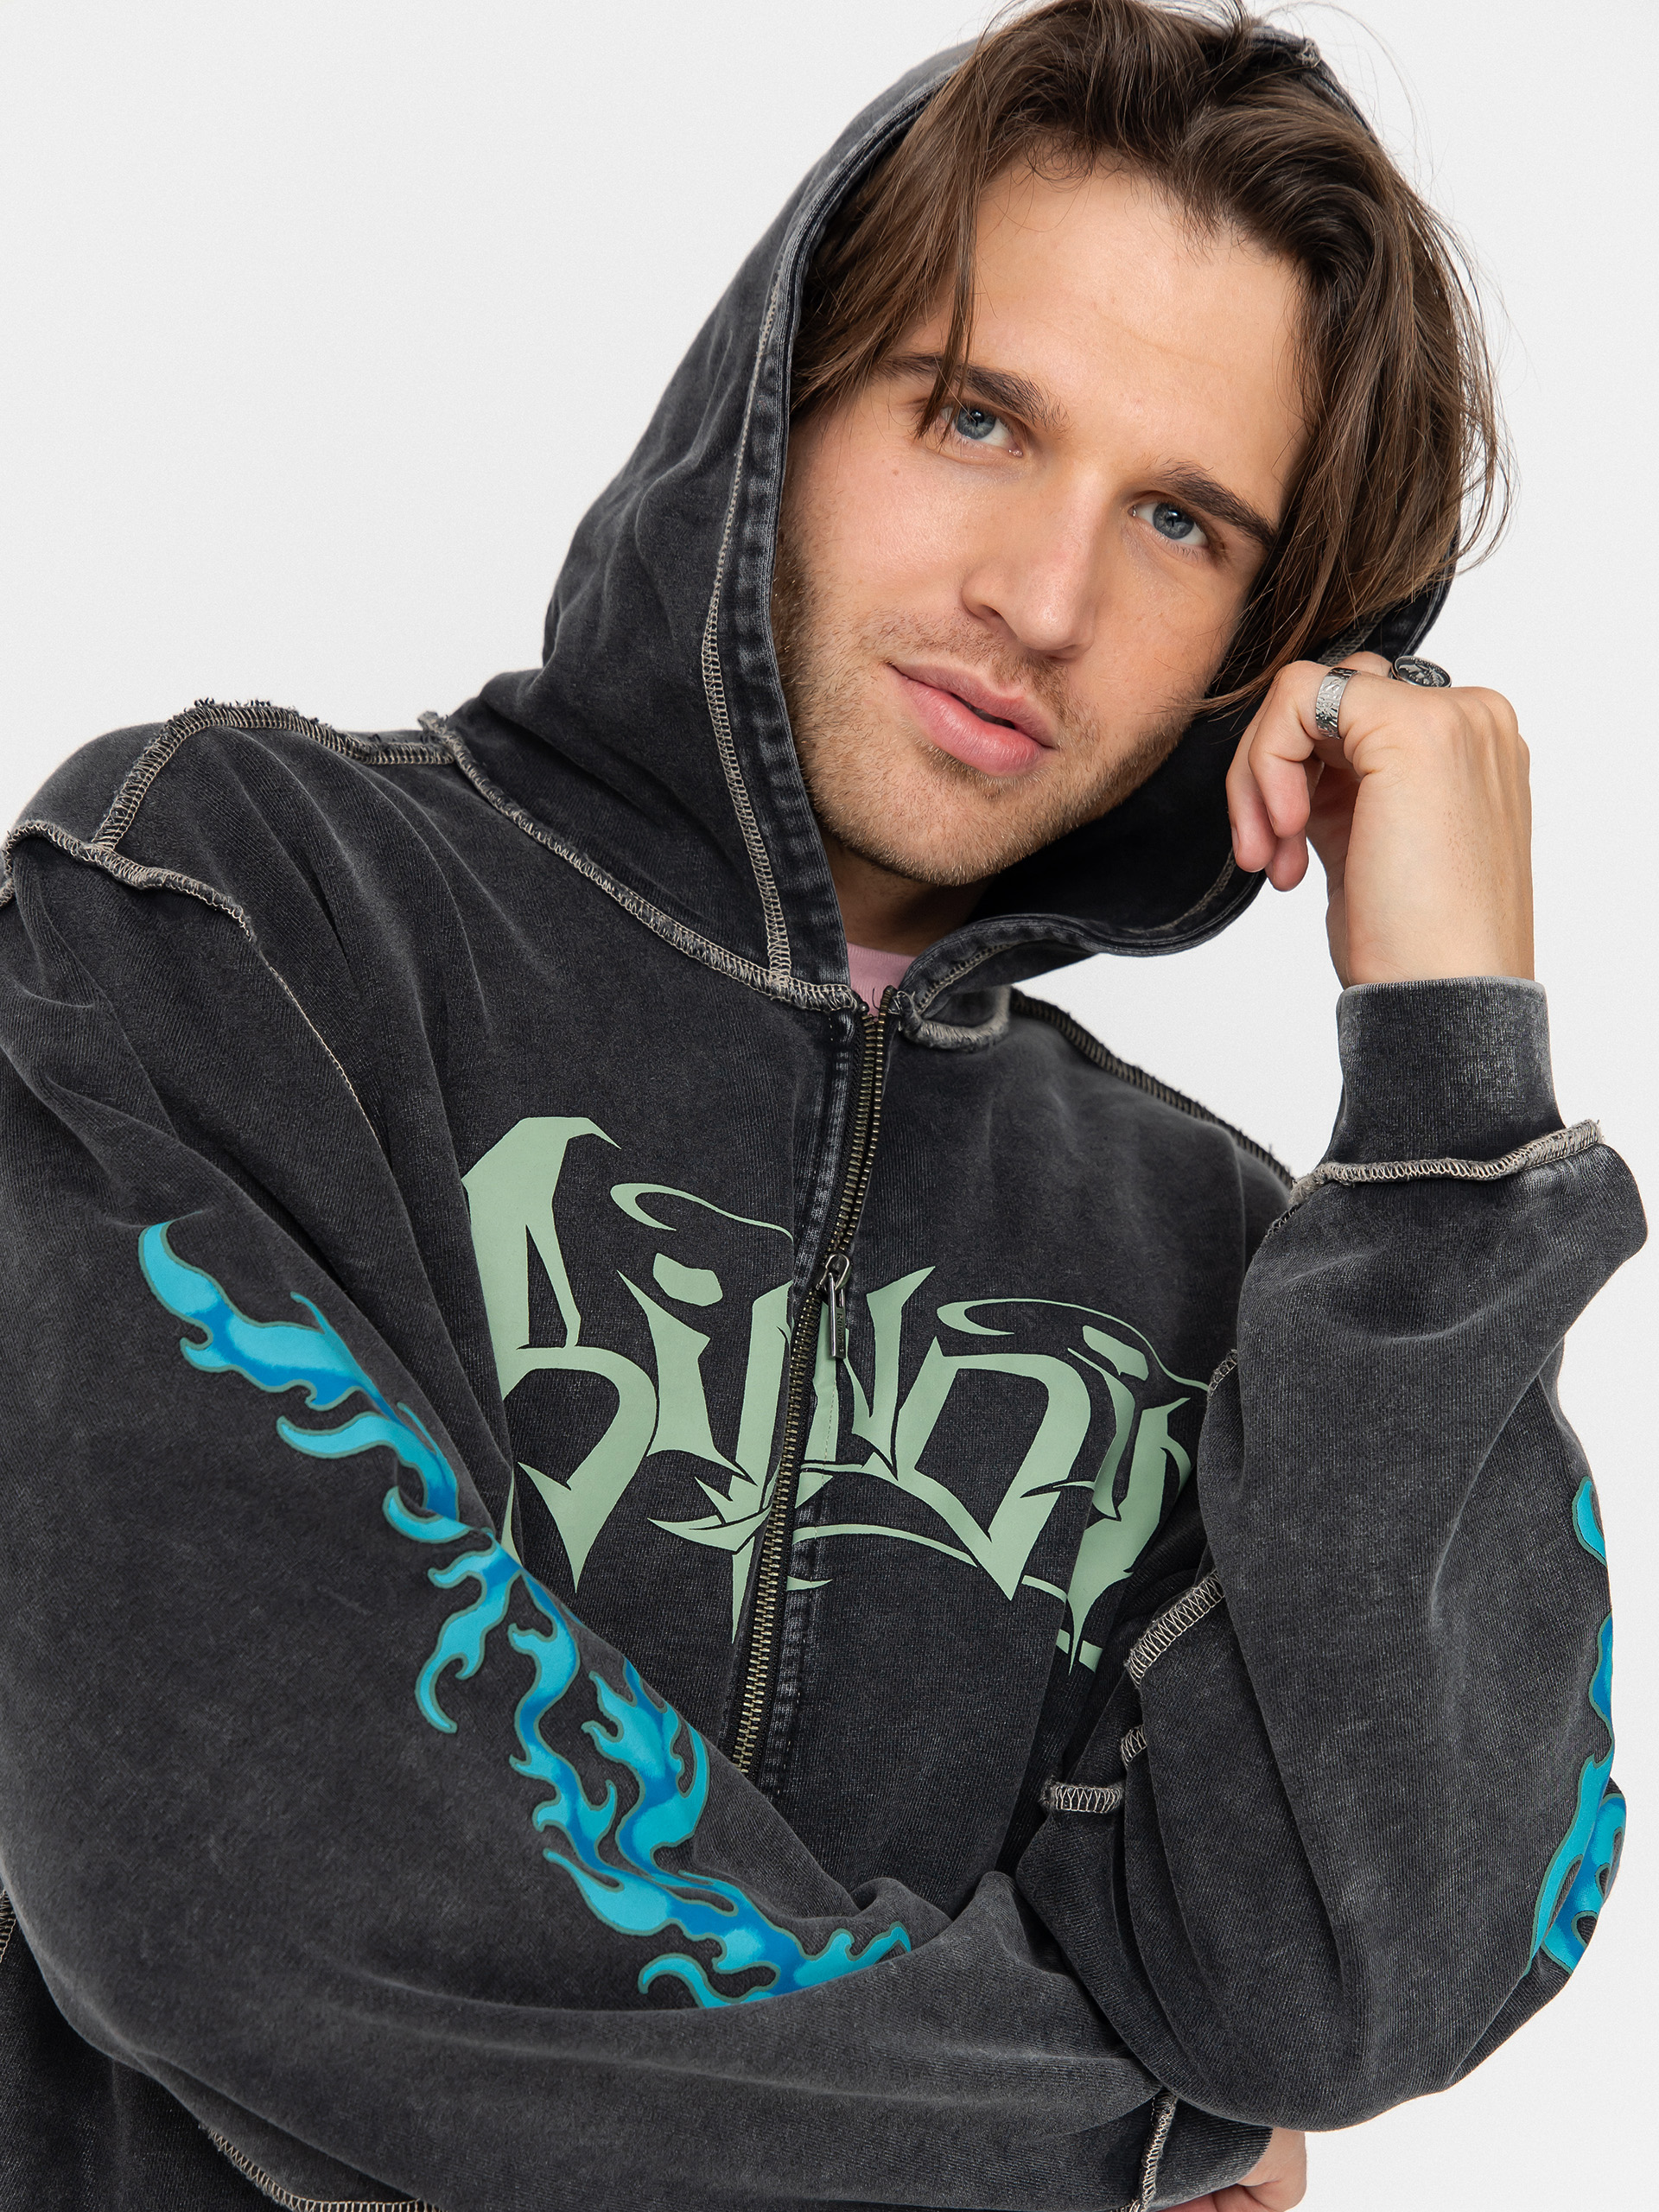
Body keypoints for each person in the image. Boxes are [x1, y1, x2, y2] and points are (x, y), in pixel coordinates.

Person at [0, 3, 1641, 2208]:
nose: (1039, 600)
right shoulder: (228, 905)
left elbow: (1361, 1982)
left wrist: (1448, 1093)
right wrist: (1149, 2129)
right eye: (976, 415)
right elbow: (251, 1881)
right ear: (780, 396)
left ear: (1280, 640)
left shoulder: (1231, 1269)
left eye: (1180, 519)